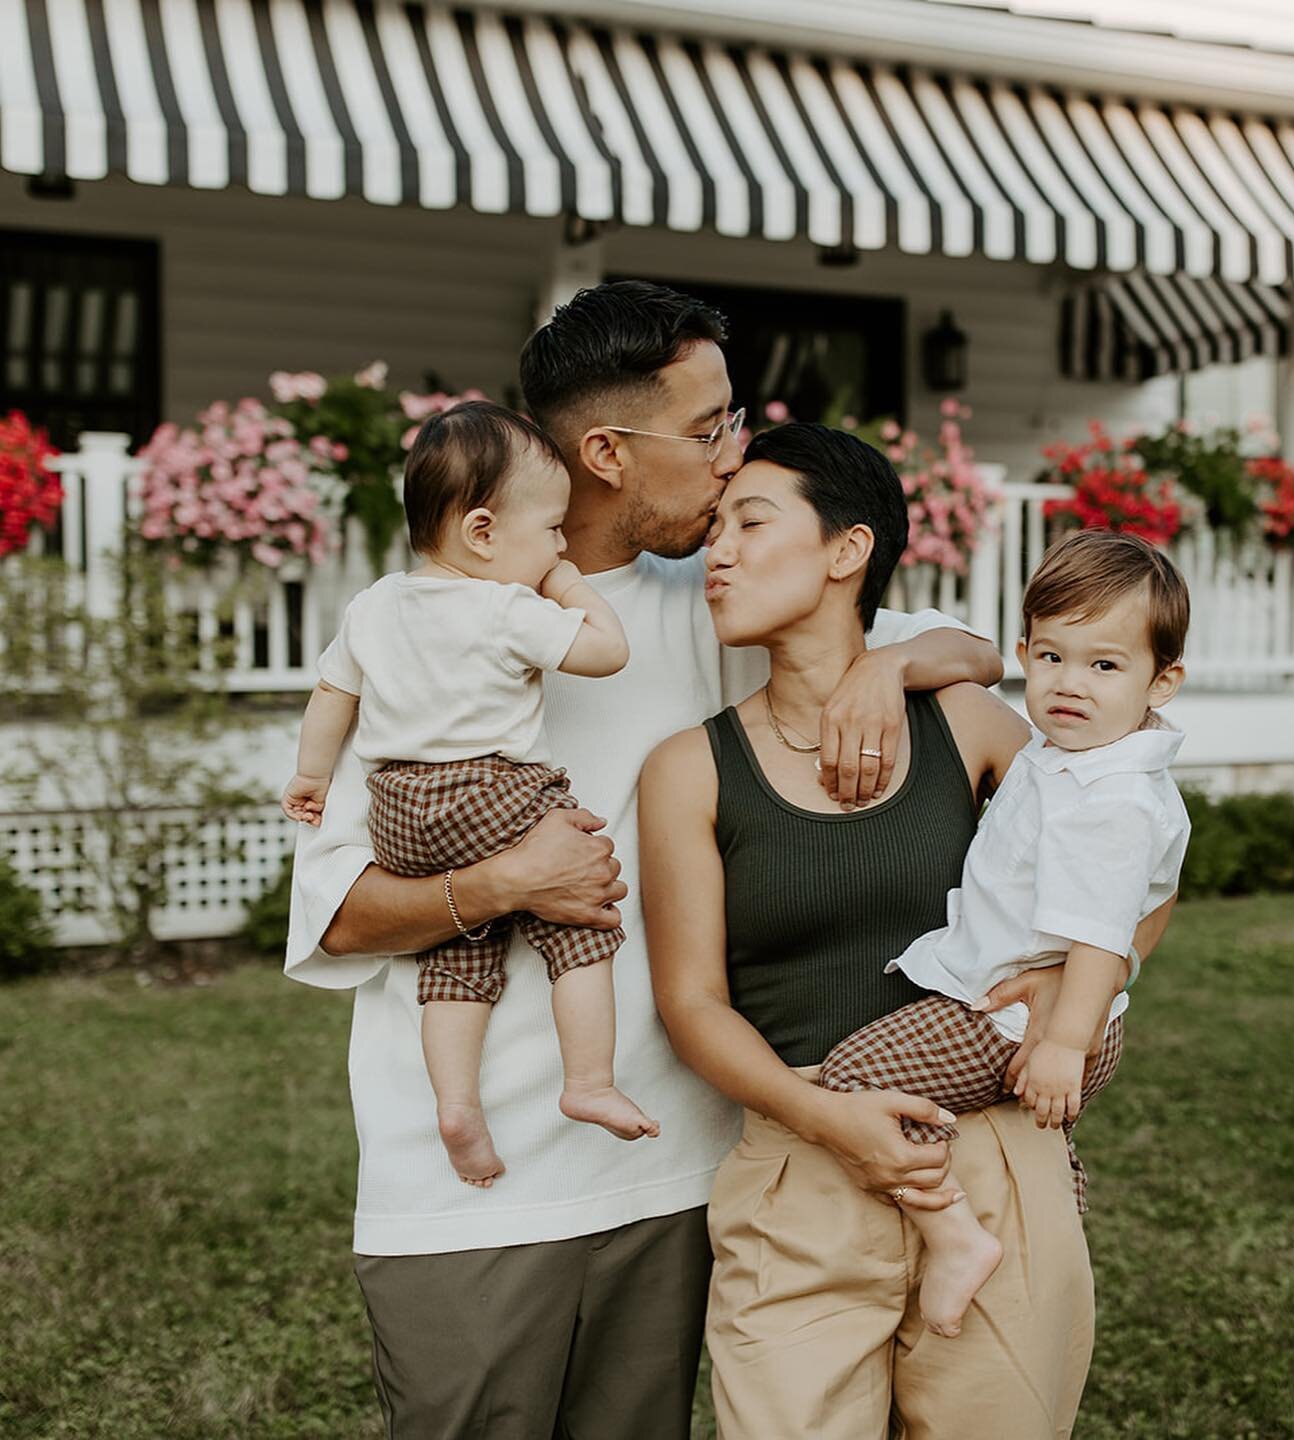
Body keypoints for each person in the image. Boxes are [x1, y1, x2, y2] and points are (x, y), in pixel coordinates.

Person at [284, 281, 1002, 1439]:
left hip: (675, 1177)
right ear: (609, 452)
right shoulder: (414, 622)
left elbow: (960, 651)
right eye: (713, 428)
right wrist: (509, 887)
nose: (735, 460)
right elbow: (336, 916)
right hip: (470, 1189)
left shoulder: (711, 604)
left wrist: (898, 667)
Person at [640, 424, 1174, 1440]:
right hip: (803, 1171)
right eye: (715, 528)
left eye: (751, 521)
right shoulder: (691, 770)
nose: (718, 551)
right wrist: (823, 1116)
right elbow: (692, 1003)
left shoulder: (967, 722)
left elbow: (1134, 869)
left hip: (994, 1157)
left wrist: (1073, 997)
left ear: (847, 552)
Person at [819, 527, 1192, 1338]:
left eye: (1105, 665)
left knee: (852, 1081)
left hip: (1024, 1020)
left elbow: (1098, 934)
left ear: (1162, 682)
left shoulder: (1112, 798)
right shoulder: (1077, 754)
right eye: (1051, 657)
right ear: (1024, 648)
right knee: (1023, 1152)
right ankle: (1051, 1203)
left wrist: (1063, 1043)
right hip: (1046, 1013)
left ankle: (953, 1233)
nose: (1069, 684)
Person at [281, 402, 657, 1191]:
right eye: (552, 529)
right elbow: (607, 653)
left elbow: (331, 697)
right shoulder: (502, 605)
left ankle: (457, 1108)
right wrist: (571, 587)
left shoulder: (374, 604)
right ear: (483, 534)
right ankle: (587, 1081)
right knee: (579, 920)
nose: (561, 542)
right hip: (489, 787)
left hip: (400, 811)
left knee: (457, 951)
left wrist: (311, 778)